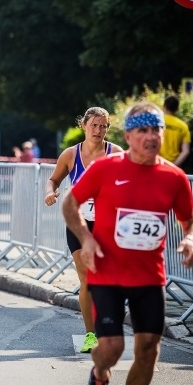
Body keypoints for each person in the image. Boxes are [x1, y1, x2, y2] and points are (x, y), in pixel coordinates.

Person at [61, 101, 193, 385]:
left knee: (149, 348)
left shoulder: (173, 177)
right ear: (129, 135)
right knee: (110, 348)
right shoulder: (106, 168)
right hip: (107, 272)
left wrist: (192, 241)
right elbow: (70, 204)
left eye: (157, 130)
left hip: (149, 277)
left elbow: (191, 220)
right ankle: (99, 375)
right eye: (144, 130)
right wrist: (86, 238)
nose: (152, 137)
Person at [45, 107, 122, 353]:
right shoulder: (71, 154)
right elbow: (53, 179)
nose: (98, 130)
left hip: (107, 223)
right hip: (78, 223)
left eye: (103, 126)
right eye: (94, 125)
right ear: (84, 126)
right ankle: (91, 334)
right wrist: (51, 191)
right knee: (87, 278)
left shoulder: (116, 154)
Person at [160, 95, 191, 168]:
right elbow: (186, 151)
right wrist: (173, 165)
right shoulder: (183, 126)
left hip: (158, 164)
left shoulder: (157, 122)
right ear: (177, 109)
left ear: (164, 106)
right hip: (175, 166)